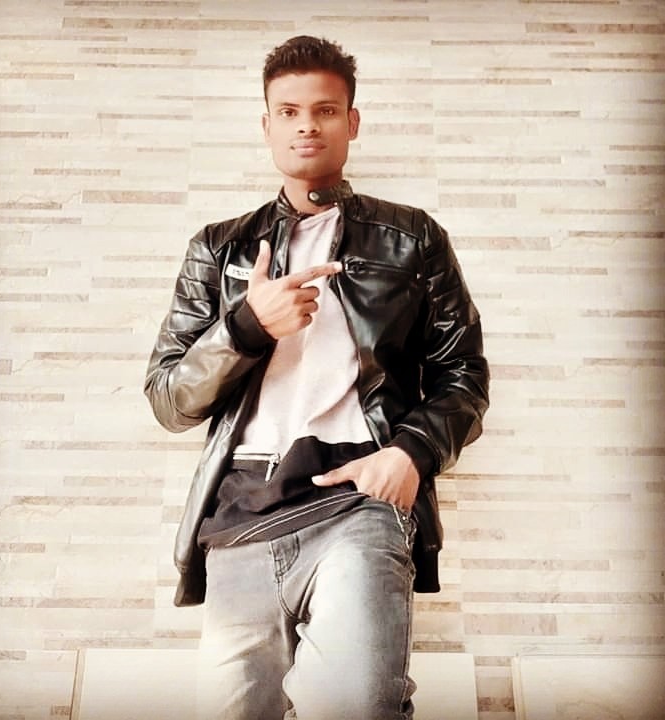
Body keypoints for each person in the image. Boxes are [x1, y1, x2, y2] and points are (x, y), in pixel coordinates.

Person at [144, 35, 489, 720]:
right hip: (241, 515)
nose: (307, 125)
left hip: (359, 502)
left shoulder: (413, 238)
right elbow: (169, 399)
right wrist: (247, 326)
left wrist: (412, 452)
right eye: (290, 111)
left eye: (325, 110)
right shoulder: (217, 247)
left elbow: (463, 374)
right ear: (267, 125)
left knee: (356, 705)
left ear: (351, 122)